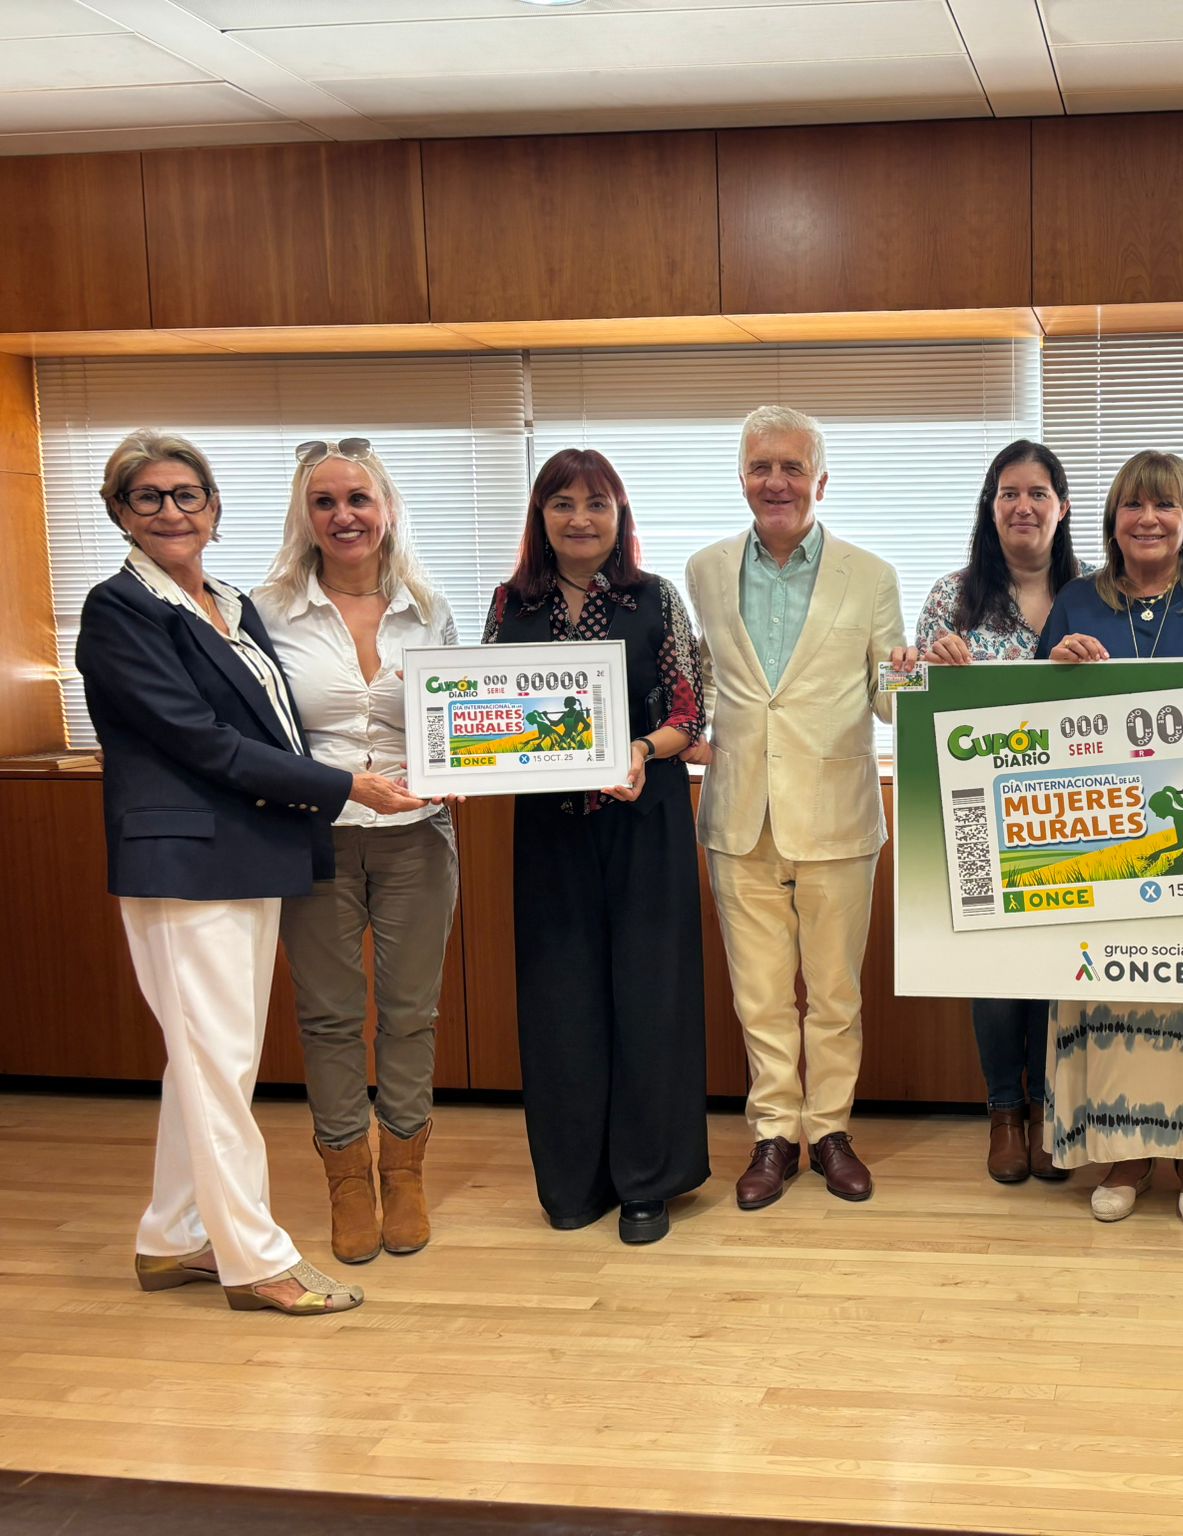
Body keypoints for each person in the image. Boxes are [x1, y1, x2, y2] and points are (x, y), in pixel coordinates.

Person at [78, 429, 423, 1316]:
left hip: (249, 853)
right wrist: (347, 785)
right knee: (219, 1062)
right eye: (147, 497)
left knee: (198, 1062)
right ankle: (255, 1259)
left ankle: (171, 1237)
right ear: (120, 512)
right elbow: (202, 742)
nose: (170, 511)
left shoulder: (226, 603)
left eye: (186, 494)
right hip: (186, 862)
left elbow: (269, 732)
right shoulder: (119, 610)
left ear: (215, 510)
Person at [687, 406, 912, 1209]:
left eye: (791, 468)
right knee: (759, 994)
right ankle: (774, 1135)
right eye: (760, 468)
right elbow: (702, 686)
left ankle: (830, 1130)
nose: (774, 482)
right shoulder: (706, 570)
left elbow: (891, 702)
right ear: (741, 478)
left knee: (835, 992)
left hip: (839, 815)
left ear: (821, 480)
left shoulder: (871, 573)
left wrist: (916, 676)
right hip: (739, 813)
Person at [483, 448, 709, 1245]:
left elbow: (691, 711)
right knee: (560, 1001)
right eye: (563, 504)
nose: (581, 519)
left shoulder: (658, 600)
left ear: (621, 516)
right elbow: (487, 718)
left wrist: (643, 750)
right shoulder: (507, 605)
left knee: (651, 998)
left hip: (643, 823)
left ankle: (648, 1181)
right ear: (541, 516)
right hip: (549, 831)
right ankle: (573, 1180)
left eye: (598, 503)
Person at [1034, 448, 1183, 1230]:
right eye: (1134, 505)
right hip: (1103, 850)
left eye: (1165, 506)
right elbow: (1029, 723)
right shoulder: (1074, 602)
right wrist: (1052, 666)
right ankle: (1123, 1152)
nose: (1149, 519)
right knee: (1111, 1000)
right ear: (1113, 521)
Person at [254, 438, 460, 1267]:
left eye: (359, 500)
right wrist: (342, 788)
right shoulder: (262, 612)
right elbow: (259, 734)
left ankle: (404, 1170)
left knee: (412, 1013)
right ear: (305, 517)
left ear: (388, 510)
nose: (345, 516)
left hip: (420, 837)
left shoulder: (428, 603)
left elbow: (463, 716)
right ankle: (347, 1177)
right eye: (326, 502)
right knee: (331, 1017)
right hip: (314, 834)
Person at [914, 439, 1085, 1184]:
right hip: (979, 815)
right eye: (1009, 492)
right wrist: (929, 678)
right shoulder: (952, 598)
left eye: (1038, 492)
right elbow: (906, 711)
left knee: (1058, 971)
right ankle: (1004, 1113)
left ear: (1063, 507)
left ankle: (1052, 1109)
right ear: (991, 506)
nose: (1023, 505)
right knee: (995, 971)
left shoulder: (1094, 593)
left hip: (1077, 816)